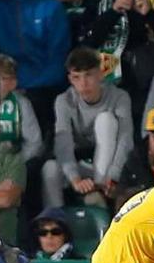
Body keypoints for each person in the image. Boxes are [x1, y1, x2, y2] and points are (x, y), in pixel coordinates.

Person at [0, 0, 71, 135]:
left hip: (41, 89)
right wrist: (7, 83)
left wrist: (24, 83)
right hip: (4, 87)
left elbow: (58, 60)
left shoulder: (52, 7)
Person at [44, 47, 134, 208]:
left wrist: (113, 175)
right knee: (49, 169)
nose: (83, 84)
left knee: (106, 120)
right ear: (70, 79)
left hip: (109, 169)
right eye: (77, 77)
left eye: (88, 75)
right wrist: (75, 179)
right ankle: (54, 219)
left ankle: (98, 190)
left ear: (100, 74)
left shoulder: (119, 97)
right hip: (79, 164)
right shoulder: (64, 101)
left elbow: (125, 140)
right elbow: (63, 142)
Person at [0, 54, 38, 246]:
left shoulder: (21, 104)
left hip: (12, 161)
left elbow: (35, 143)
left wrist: (14, 163)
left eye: (8, 78)